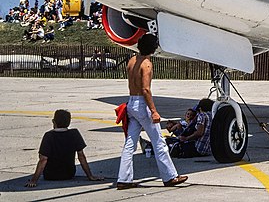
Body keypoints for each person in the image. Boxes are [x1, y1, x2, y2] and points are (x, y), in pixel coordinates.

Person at [116, 34, 188, 189]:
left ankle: (124, 178)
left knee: (130, 143)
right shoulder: (147, 64)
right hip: (142, 105)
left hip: (131, 102)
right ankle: (170, 176)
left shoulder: (132, 61)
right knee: (159, 142)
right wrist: (154, 111)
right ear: (153, 48)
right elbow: (146, 89)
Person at [25, 109, 104, 187]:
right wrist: (90, 176)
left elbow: (43, 159)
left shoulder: (49, 136)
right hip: (69, 174)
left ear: (53, 121)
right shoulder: (74, 133)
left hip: (50, 175)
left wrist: (34, 180)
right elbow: (81, 156)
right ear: (69, 122)